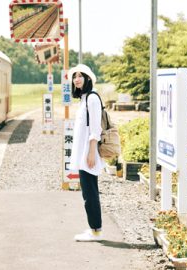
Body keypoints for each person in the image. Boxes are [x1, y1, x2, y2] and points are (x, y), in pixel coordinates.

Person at [68, 64, 106, 242]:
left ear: (88, 78)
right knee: (88, 192)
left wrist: (91, 152)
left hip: (88, 153)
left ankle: (96, 231)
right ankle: (94, 228)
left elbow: (95, 128)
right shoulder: (84, 98)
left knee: (89, 193)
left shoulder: (92, 98)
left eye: (80, 76)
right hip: (83, 152)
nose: (76, 79)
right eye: (74, 76)